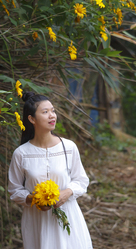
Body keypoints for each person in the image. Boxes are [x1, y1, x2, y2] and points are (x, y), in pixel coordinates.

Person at [8, 92, 93, 248]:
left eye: (53, 111)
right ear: (31, 119)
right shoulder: (21, 153)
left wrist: (66, 193)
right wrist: (34, 199)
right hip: (36, 221)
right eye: (45, 112)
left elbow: (81, 180)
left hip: (68, 216)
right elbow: (14, 190)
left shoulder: (68, 147)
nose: (52, 115)